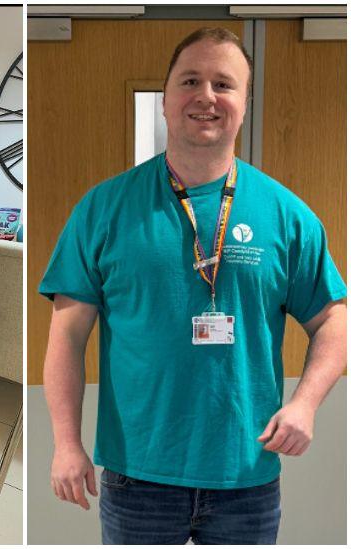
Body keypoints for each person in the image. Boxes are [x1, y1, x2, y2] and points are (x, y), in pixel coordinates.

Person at [40, 27, 346, 544]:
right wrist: (66, 443)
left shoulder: (287, 216)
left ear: (244, 105)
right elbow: (66, 337)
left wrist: (305, 404)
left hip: (246, 477)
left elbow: (335, 319)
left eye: (224, 84)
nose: (206, 96)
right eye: (190, 80)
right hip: (136, 475)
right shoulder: (103, 208)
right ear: (166, 100)